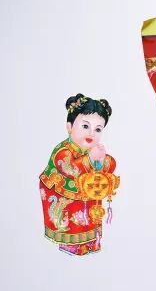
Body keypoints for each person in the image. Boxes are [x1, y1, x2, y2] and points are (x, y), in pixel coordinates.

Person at [39, 94, 117, 256]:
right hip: (62, 192)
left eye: (97, 129)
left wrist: (102, 159)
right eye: (85, 126)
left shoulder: (91, 150)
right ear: (69, 127)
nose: (91, 133)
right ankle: (71, 245)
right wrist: (90, 159)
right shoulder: (63, 150)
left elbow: (108, 165)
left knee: (89, 217)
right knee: (71, 220)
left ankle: (89, 243)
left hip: (85, 192)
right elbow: (70, 168)